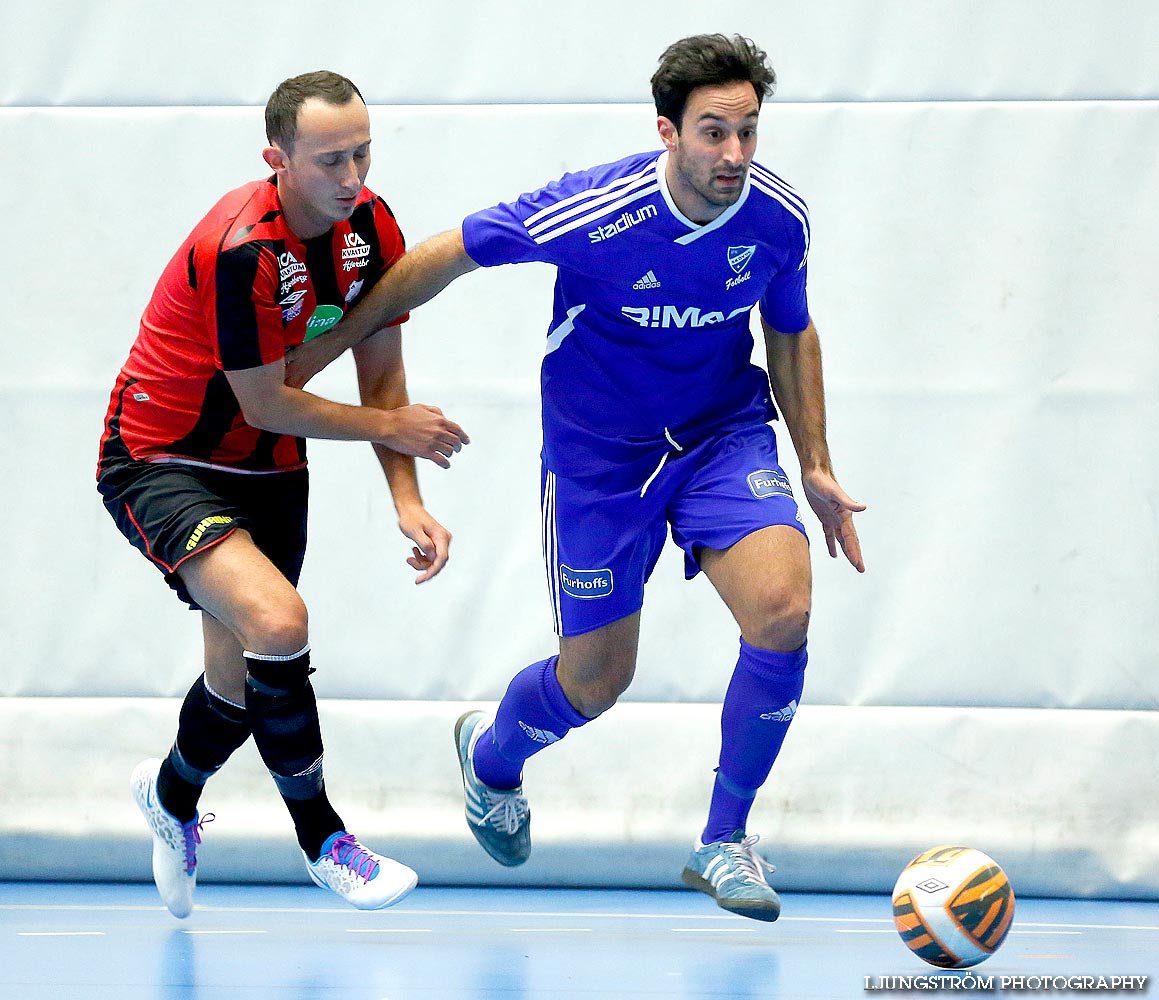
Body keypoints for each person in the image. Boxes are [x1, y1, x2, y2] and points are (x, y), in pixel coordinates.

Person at [287, 35, 864, 922]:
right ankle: (492, 758)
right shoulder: (595, 209)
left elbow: (790, 330)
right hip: (599, 459)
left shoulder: (776, 218)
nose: (734, 155)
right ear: (666, 130)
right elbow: (447, 254)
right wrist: (319, 351)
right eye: (713, 132)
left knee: (784, 611)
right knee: (595, 682)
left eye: (748, 130)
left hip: (721, 437)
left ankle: (723, 840)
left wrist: (815, 461)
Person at [96, 70, 469, 918]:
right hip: (163, 457)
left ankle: (169, 796)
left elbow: (382, 375)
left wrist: (405, 498)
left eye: (362, 153)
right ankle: (324, 840)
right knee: (279, 623)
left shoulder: (370, 226)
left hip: (270, 467)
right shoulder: (243, 248)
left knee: (238, 687)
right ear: (278, 158)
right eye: (329, 159)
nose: (351, 177)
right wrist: (390, 429)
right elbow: (264, 398)